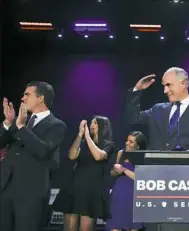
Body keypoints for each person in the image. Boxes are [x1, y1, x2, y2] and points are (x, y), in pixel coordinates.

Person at [0, 81, 67, 231]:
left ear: (41, 98)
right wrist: (7, 122)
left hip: (31, 194)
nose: (22, 99)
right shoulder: (20, 122)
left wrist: (21, 127)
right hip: (6, 188)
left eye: (27, 94)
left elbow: (43, 150)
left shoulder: (56, 125)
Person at [126, 67, 189, 150]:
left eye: (169, 85)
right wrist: (136, 90)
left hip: (187, 167)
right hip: (157, 166)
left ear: (183, 84)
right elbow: (133, 118)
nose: (165, 91)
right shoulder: (158, 109)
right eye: (164, 86)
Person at [53, 116, 115, 231]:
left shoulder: (108, 144)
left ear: (103, 126)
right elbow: (71, 155)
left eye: (95, 123)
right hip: (74, 187)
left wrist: (87, 136)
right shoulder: (83, 142)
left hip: (91, 190)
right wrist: (80, 135)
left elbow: (98, 156)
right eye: (91, 122)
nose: (91, 125)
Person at [106, 131, 147, 231]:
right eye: (127, 140)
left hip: (134, 196)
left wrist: (124, 170)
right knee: (115, 226)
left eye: (131, 141)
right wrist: (116, 170)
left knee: (132, 227)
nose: (127, 143)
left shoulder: (144, 156)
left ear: (138, 146)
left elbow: (141, 178)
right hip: (118, 194)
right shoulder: (121, 153)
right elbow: (112, 173)